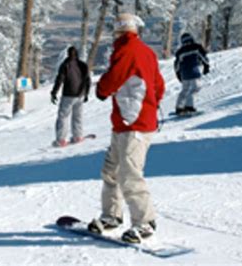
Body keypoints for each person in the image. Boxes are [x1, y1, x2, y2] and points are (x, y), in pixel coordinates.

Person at [88, 13, 165, 244]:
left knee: (129, 174)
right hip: (127, 121)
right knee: (111, 171)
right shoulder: (146, 51)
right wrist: (151, 104)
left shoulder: (127, 50)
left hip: (135, 124)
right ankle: (112, 216)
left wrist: (101, 90)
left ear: (119, 31)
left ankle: (145, 223)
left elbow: (113, 78)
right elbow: (159, 86)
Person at [51, 46, 91, 147]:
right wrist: (86, 93)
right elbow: (88, 80)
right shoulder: (83, 65)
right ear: (77, 54)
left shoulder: (65, 65)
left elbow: (59, 79)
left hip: (68, 95)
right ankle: (78, 136)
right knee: (78, 116)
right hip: (80, 94)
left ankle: (61, 140)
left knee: (63, 117)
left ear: (68, 54)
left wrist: (54, 92)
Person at [173, 32, 209, 115]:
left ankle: (179, 107)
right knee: (195, 88)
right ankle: (189, 106)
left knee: (185, 90)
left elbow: (176, 64)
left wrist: (178, 74)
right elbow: (203, 57)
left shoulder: (180, 51)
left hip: (184, 74)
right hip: (194, 72)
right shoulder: (196, 47)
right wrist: (206, 66)